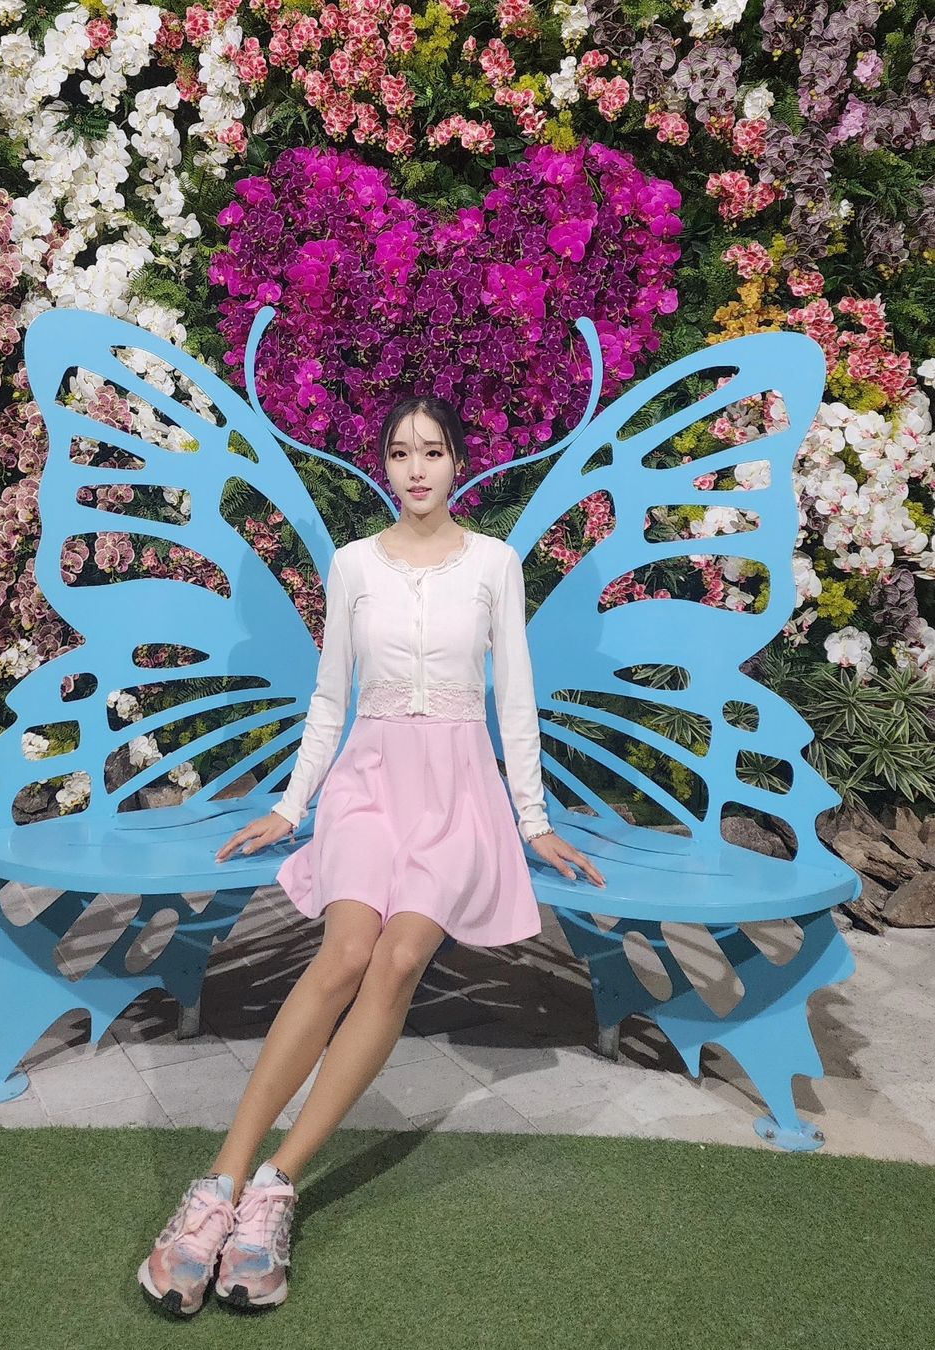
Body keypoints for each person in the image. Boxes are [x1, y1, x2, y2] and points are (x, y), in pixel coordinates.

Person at [137, 396, 606, 1320]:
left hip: (460, 793)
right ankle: (217, 1188)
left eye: (432, 451)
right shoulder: (352, 564)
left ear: (460, 462)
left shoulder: (495, 564)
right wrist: (289, 806)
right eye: (400, 452)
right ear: (384, 465)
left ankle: (275, 1190)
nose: (416, 468)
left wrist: (533, 818)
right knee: (348, 949)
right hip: (367, 786)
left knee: (397, 960)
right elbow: (330, 699)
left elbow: (515, 695)